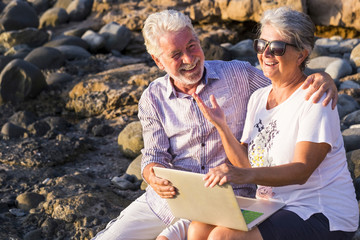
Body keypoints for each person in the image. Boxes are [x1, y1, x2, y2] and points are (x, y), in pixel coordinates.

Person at [92, 9, 338, 240]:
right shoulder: (153, 98)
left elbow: (286, 78)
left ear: (199, 40)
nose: (189, 59)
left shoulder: (239, 76)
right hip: (169, 200)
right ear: (158, 61)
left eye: (192, 46)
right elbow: (154, 155)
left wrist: (323, 77)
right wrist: (151, 174)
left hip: (229, 199)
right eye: (176, 55)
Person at [189, 6, 358, 240]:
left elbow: (301, 171)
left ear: (301, 54)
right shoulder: (259, 98)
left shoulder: (316, 98)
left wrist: (240, 175)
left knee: (223, 236)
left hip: (320, 213)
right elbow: (247, 165)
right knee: (199, 228)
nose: (266, 54)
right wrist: (221, 127)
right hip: (271, 207)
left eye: (277, 47)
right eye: (261, 45)